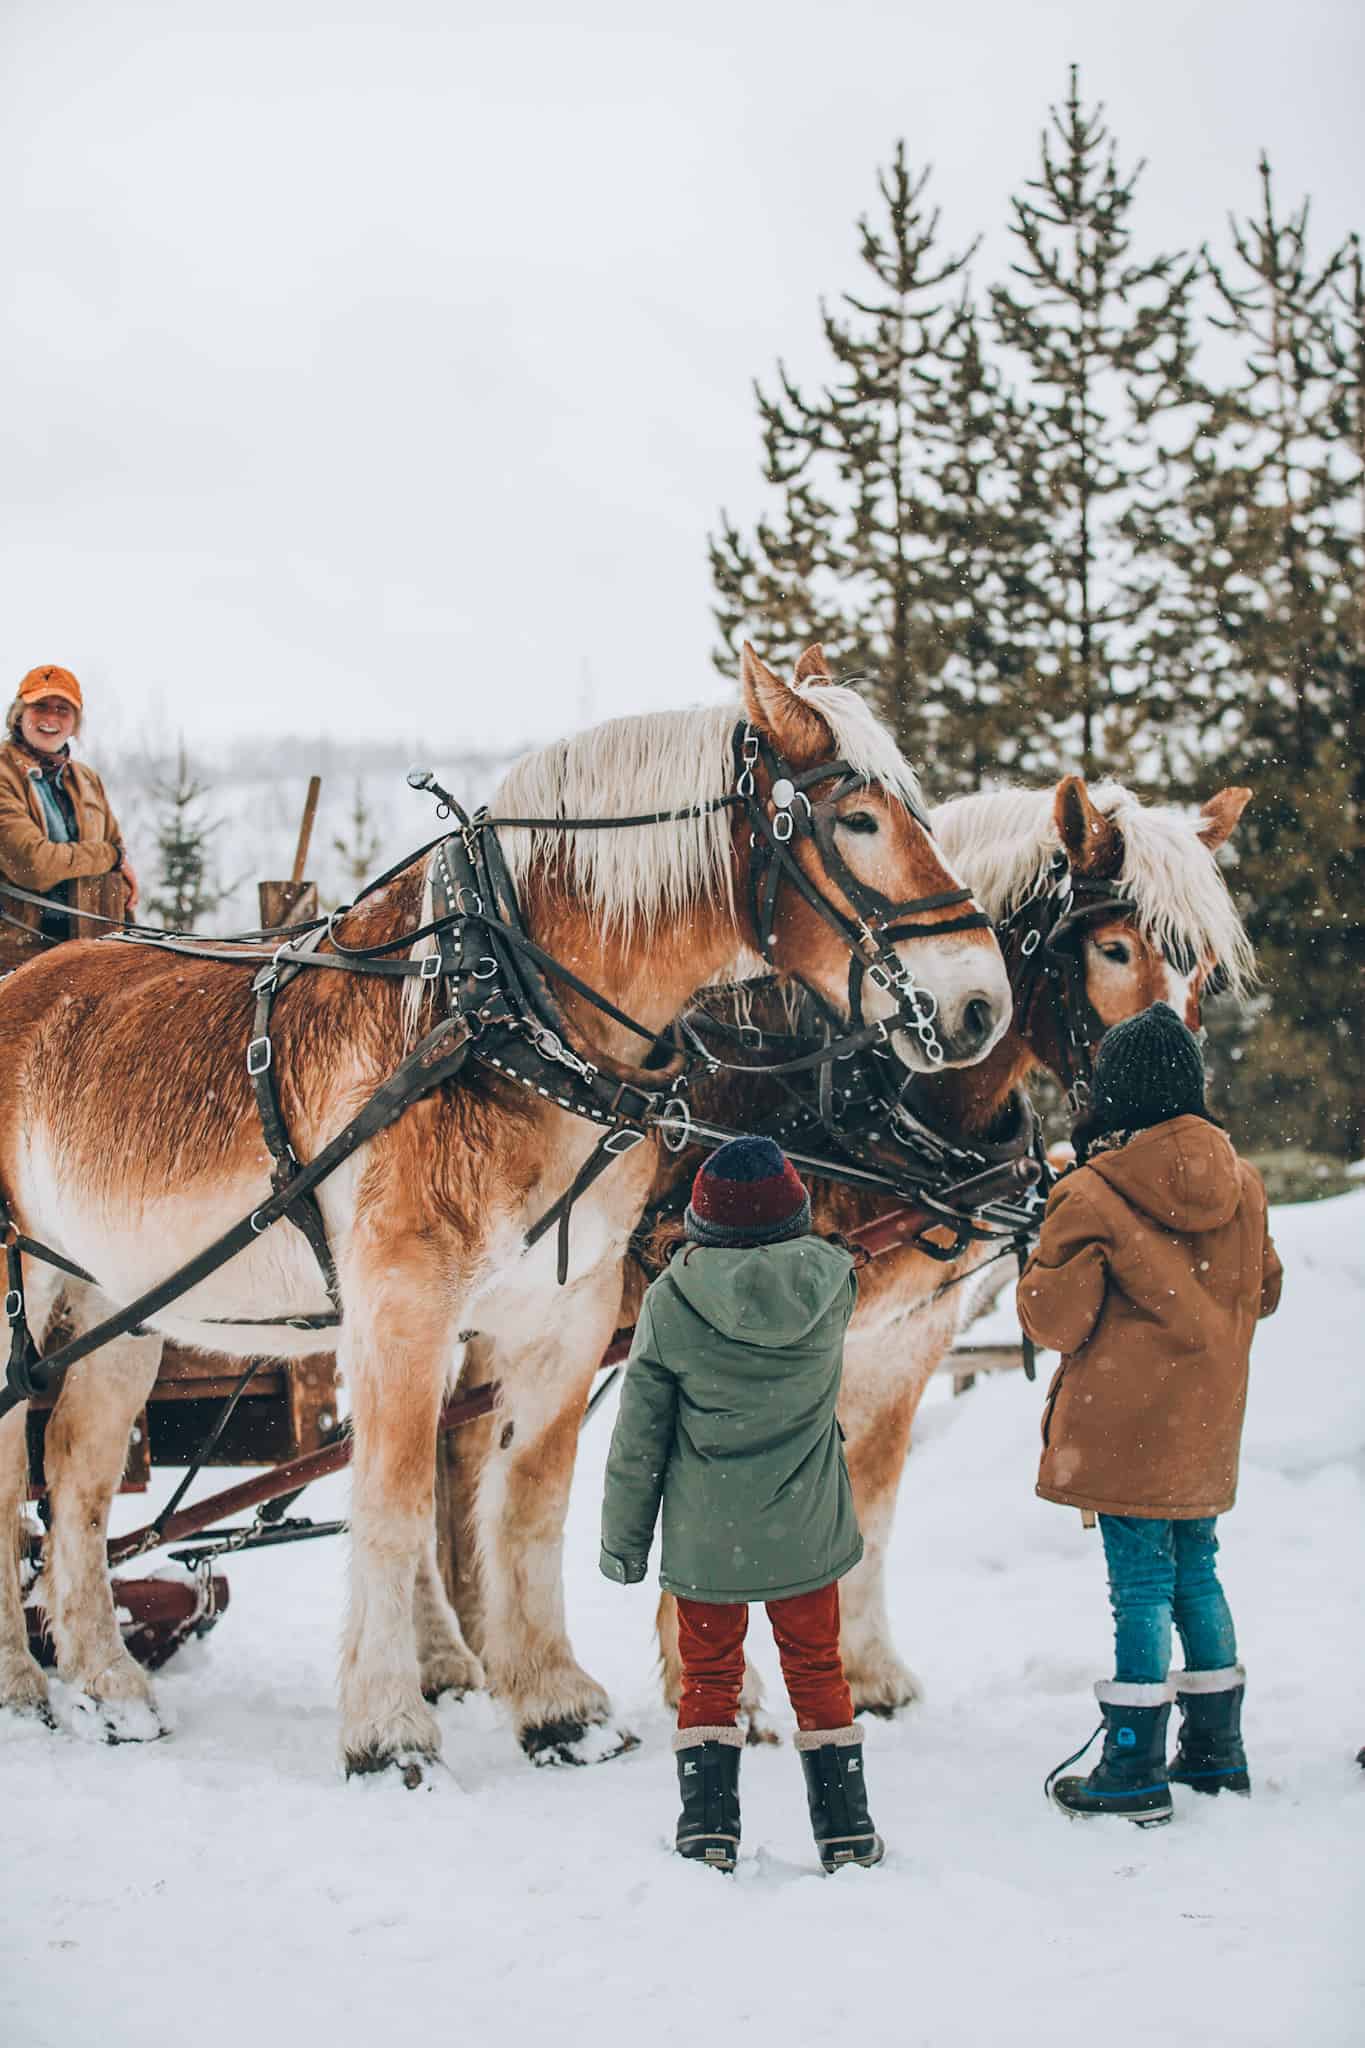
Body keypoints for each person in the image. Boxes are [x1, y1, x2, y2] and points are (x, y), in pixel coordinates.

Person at [1017, 1003, 1282, 1827]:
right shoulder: (1241, 1181)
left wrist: (1047, 1243)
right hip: (1206, 1423)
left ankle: (1131, 1764)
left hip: (1121, 1427)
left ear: (1114, 1094)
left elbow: (1053, 1321)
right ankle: (1213, 1747)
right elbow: (1264, 1291)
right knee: (1195, 1569)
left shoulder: (1090, 1192)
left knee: (1138, 1586)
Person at [599, 1135, 883, 1875]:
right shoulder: (833, 1287)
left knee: (709, 1680)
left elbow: (638, 1439)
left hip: (706, 1540)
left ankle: (707, 1828)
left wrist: (624, 1543)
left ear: (701, 1222)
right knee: (818, 1672)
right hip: (807, 1532)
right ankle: (846, 1830)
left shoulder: (669, 1302)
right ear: (794, 1215)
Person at [0, 666, 137, 971]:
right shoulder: (3, 773)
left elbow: (116, 850)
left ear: (75, 723)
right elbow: (34, 865)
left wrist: (117, 861)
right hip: (18, 953)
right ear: (19, 714)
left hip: (94, 943)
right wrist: (111, 856)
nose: (50, 718)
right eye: (40, 706)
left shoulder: (87, 778)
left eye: (62, 709)